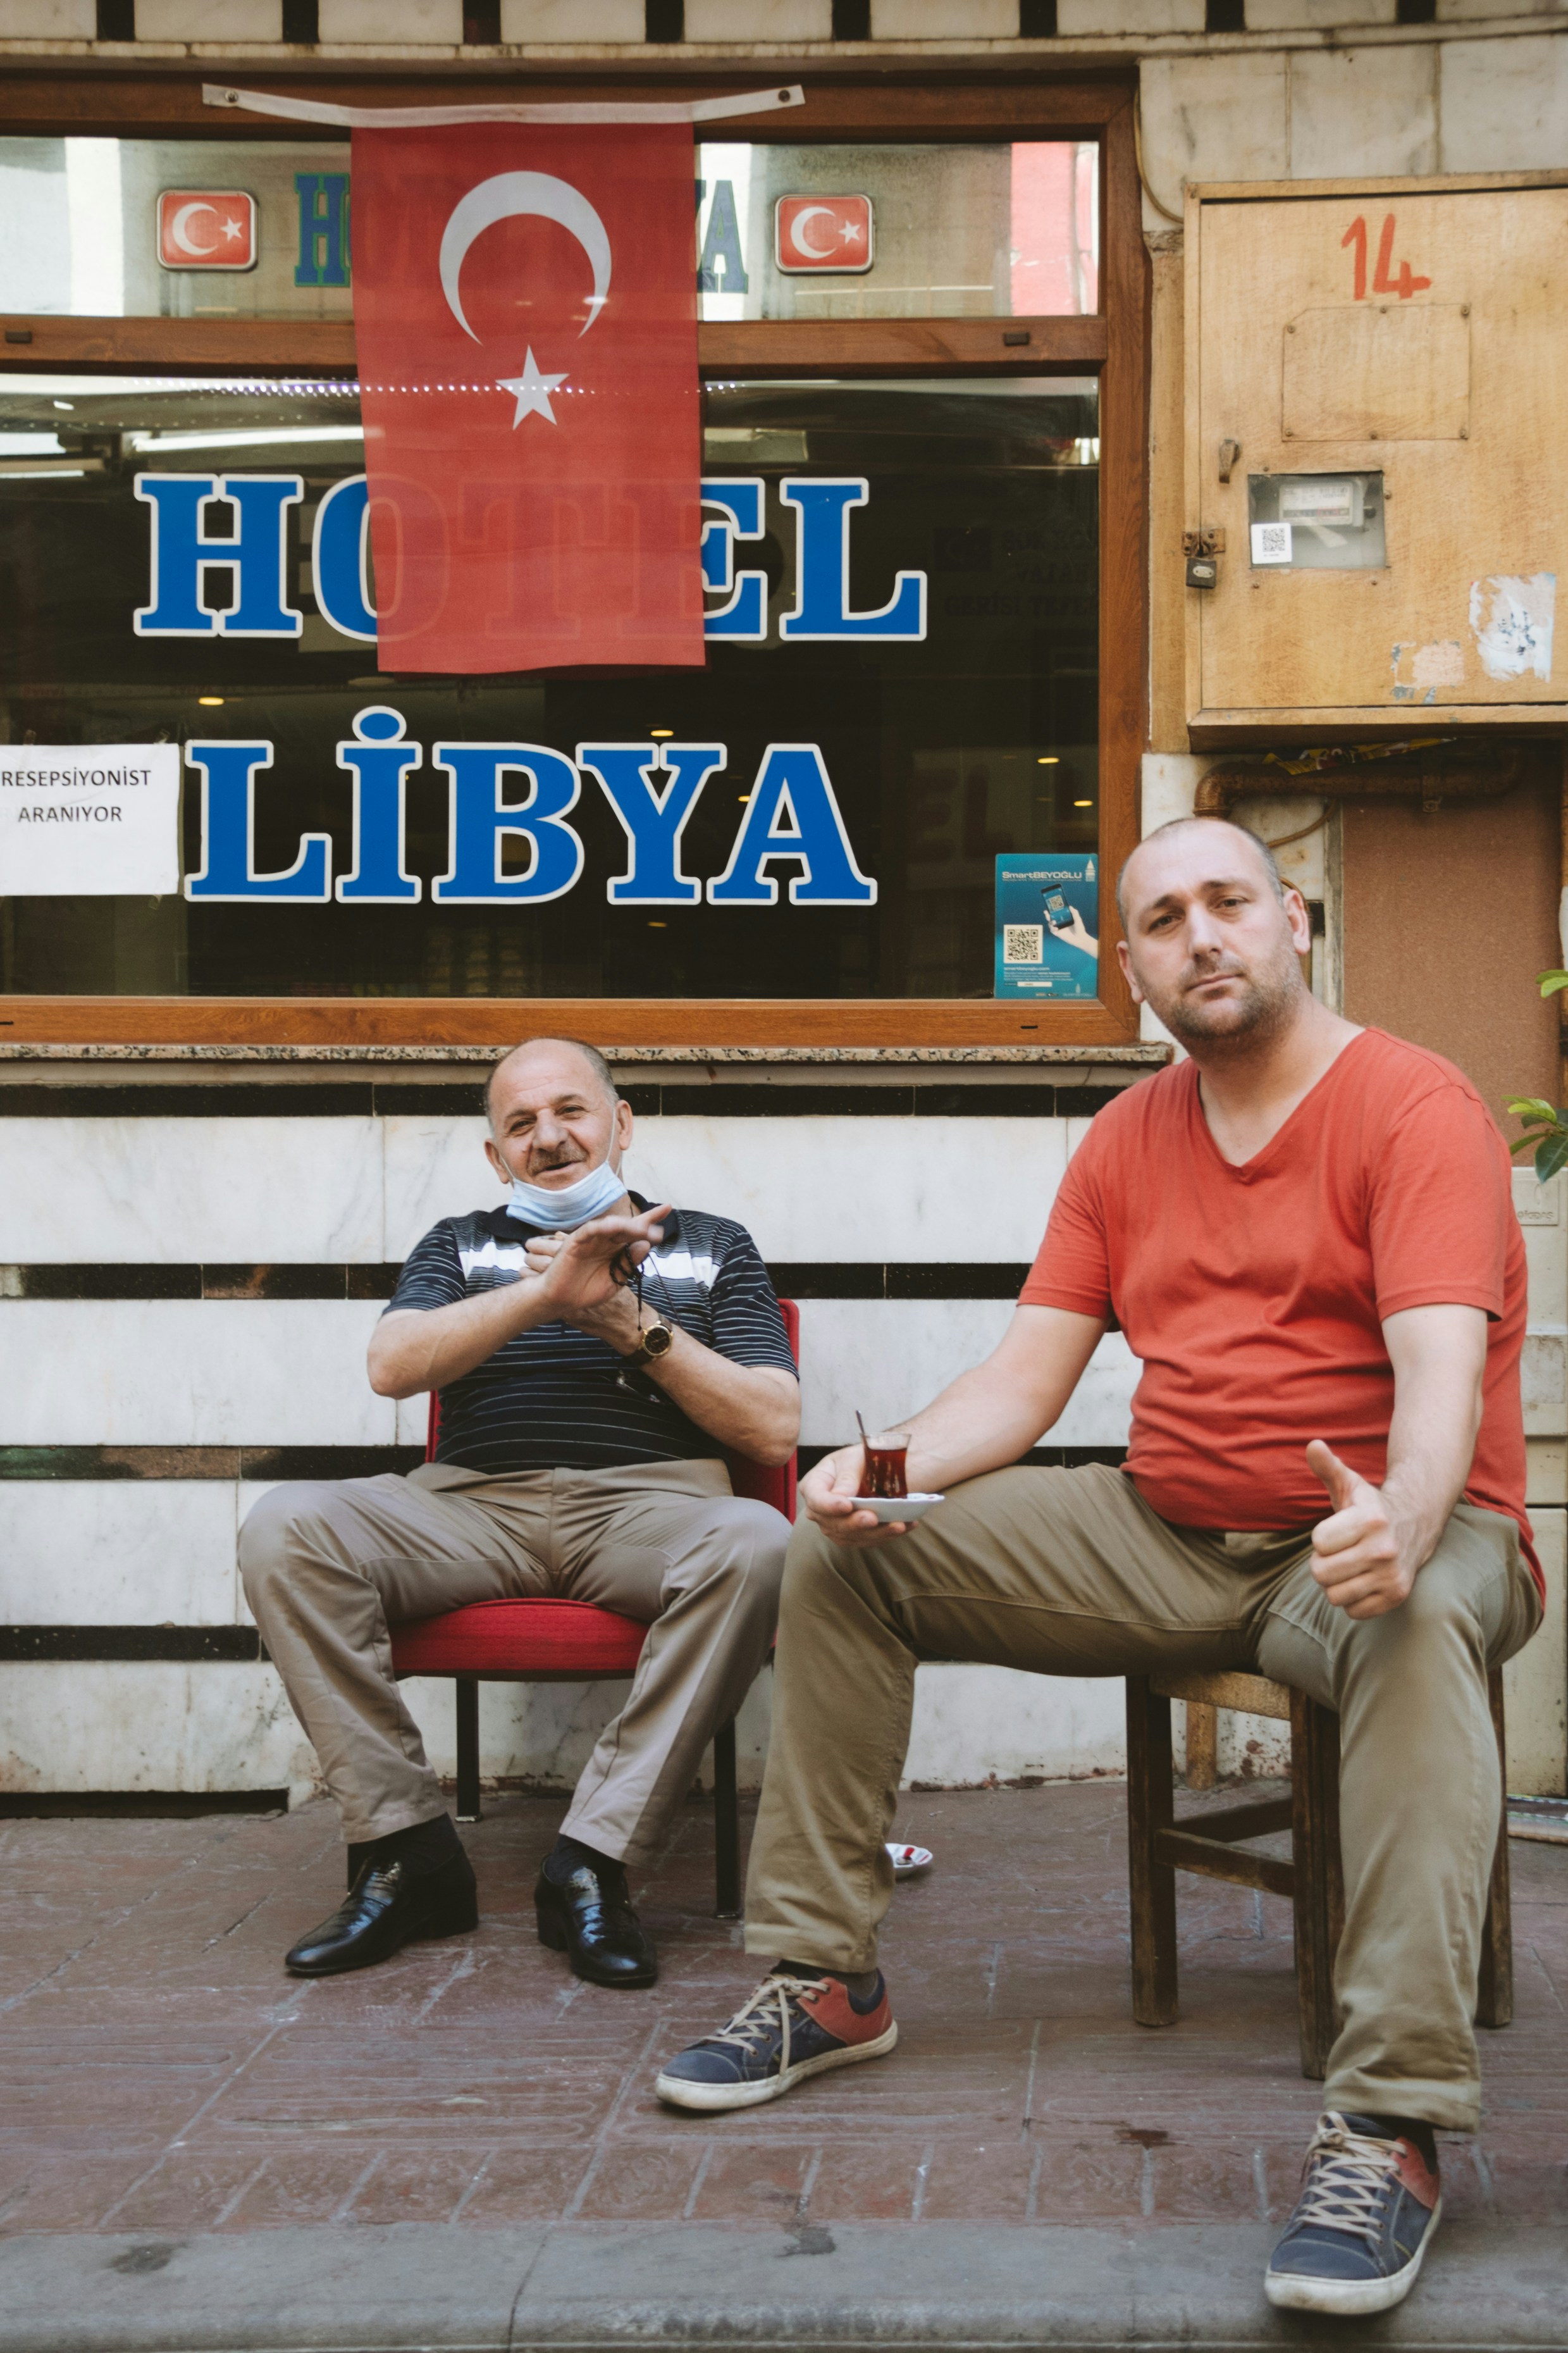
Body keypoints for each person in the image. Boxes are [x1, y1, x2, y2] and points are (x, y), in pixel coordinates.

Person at [655, 817, 1541, 2321]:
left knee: (1413, 1622)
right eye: (1160, 920)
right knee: (849, 1558)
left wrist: (1399, 1508)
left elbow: (1439, 1364)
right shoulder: (1127, 1138)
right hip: (1164, 1529)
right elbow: (1023, 1385)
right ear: (1126, 964)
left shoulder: (1413, 1107)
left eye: (1227, 903)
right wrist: (876, 1474)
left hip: (1389, 1534)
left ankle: (1390, 2122)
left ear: (1295, 920)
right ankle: (825, 1982)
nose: (1200, 936)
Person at [240, 1036, 799, 1989]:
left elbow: (774, 1430)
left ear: (621, 1123)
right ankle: (406, 1851)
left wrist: (628, 1322)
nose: (550, 1137)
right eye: (521, 1124)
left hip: (652, 1506)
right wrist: (544, 1293)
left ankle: (594, 1861)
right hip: (469, 1508)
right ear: (497, 1156)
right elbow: (392, 1365)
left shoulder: (711, 1244)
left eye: (572, 1110)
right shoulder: (462, 1242)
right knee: (282, 1529)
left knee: (758, 1541)